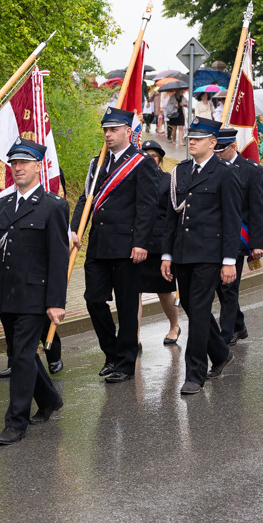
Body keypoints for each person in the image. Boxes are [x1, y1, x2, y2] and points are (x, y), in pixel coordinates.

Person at [0, 138, 67, 445]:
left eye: (24, 163)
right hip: (8, 295)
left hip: (35, 296)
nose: (17, 168)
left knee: (23, 357)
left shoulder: (54, 206)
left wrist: (56, 302)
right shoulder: (1, 204)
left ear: (38, 166)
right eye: (14, 163)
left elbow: (58, 257)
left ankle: (16, 421)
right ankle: (50, 398)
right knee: (18, 354)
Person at [70, 107, 159, 383]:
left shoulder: (141, 162)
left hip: (128, 247)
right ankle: (112, 353)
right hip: (99, 245)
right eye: (105, 130)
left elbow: (147, 206)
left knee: (127, 306)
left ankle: (125, 362)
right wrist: (75, 229)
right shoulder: (97, 163)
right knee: (93, 300)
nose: (108, 135)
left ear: (127, 132)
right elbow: (86, 199)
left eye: (113, 130)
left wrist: (141, 243)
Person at [160, 117, 241, 395]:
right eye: (190, 137)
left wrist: (229, 260)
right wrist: (167, 254)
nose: (190, 141)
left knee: (199, 311)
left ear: (212, 142)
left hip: (210, 254)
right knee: (194, 309)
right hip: (182, 253)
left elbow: (232, 220)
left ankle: (194, 374)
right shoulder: (180, 171)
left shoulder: (225, 173)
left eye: (197, 138)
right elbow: (172, 216)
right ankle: (220, 354)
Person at [213, 129, 263, 346]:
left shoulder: (250, 171)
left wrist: (257, 243)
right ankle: (239, 324)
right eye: (215, 149)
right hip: (214, 236)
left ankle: (226, 335)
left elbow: (258, 209)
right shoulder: (213, 167)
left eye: (222, 150)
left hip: (238, 237)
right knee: (219, 284)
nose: (217, 154)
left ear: (233, 146)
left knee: (228, 286)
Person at [139, 140, 181, 345]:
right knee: (133, 291)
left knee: (164, 291)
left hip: (159, 245)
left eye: (153, 155)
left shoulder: (168, 181)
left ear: (160, 159)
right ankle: (134, 336)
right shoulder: (134, 180)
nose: (149, 159)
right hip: (137, 244)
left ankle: (174, 325)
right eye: (145, 155)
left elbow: (172, 216)